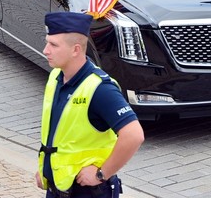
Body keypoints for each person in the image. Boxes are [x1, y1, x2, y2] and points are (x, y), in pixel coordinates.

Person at [36, 12, 144, 198]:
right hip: (58, 188)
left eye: (53, 45)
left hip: (88, 192)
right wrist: (46, 169)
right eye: (47, 42)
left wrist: (102, 174)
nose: (46, 50)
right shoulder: (56, 77)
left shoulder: (100, 88)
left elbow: (134, 135)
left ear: (76, 50)